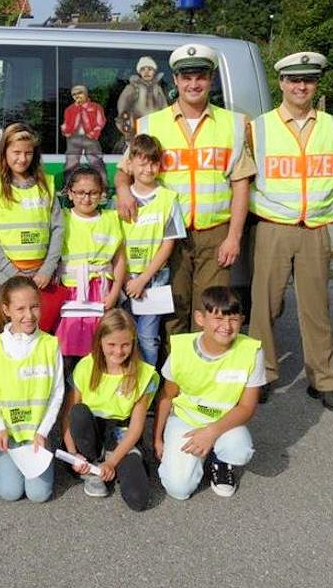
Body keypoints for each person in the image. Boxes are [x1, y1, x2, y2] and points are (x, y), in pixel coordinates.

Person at [114, 44, 255, 335]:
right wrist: (124, 191)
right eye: (186, 77)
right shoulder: (152, 123)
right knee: (173, 309)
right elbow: (122, 173)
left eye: (200, 76)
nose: (193, 84)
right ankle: (174, 376)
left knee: (211, 308)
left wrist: (234, 237)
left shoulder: (233, 125)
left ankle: (203, 373)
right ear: (175, 80)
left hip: (215, 232)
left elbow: (241, 184)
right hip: (167, 236)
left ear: (211, 79)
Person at [248, 52, 333, 412]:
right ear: (282, 83)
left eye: (307, 80)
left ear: (315, 83)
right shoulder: (259, 126)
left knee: (316, 308)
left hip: (315, 228)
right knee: (265, 308)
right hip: (273, 226)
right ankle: (261, 376)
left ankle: (323, 382)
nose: (301, 86)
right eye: (294, 80)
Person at [154, 287, 263, 500]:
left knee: (240, 449)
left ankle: (220, 460)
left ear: (241, 320)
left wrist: (211, 433)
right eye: (218, 318)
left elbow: (247, 407)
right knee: (178, 490)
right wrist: (157, 439)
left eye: (233, 319)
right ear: (200, 318)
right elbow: (167, 397)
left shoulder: (252, 351)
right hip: (186, 419)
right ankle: (196, 456)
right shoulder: (181, 349)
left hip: (224, 422)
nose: (226, 326)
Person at [0, 277, 64, 503]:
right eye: (20, 309)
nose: (29, 315)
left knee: (38, 495)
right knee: (10, 493)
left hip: (37, 435)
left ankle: (45, 450)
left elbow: (57, 394)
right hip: (7, 433)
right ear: (6, 310)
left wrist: (43, 432)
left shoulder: (50, 344)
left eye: (34, 306)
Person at [62, 310, 157, 510]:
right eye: (111, 345)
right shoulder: (86, 366)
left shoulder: (143, 373)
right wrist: (72, 454)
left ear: (133, 343)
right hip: (91, 435)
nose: (118, 351)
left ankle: (107, 465)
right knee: (79, 412)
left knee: (138, 499)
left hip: (121, 436)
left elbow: (136, 429)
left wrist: (112, 462)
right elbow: (68, 416)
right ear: (100, 342)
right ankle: (91, 465)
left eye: (125, 345)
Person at [0, 123, 65, 333]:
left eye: (28, 153)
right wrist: (12, 273)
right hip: (5, 275)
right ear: (4, 153)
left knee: (38, 330)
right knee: (6, 331)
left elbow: (58, 229)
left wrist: (47, 269)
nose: (22, 158)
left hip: (41, 277)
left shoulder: (47, 185)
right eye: (16, 152)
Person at [118, 134, 186, 366]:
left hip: (153, 280)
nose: (148, 168)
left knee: (148, 338)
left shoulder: (168, 199)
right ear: (129, 165)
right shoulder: (120, 201)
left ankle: (149, 386)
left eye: (153, 162)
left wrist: (143, 279)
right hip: (123, 279)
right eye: (142, 162)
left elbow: (168, 244)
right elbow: (114, 242)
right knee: (122, 336)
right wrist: (126, 278)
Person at [54, 165, 126, 370]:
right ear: (69, 193)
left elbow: (119, 260)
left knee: (99, 348)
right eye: (80, 193)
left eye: (93, 193)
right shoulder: (63, 218)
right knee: (66, 349)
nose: (86, 198)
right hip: (70, 293)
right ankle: (69, 396)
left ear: (102, 193)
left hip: (101, 292)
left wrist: (114, 293)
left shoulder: (111, 219)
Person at [61, 85, 107, 179]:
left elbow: (101, 122)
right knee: (71, 162)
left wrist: (93, 133)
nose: (77, 96)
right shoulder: (69, 109)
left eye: (79, 93)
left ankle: (103, 186)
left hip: (90, 138)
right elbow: (65, 123)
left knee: (96, 161)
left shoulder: (96, 107)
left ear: (86, 94)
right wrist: (66, 132)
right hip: (74, 138)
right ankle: (68, 187)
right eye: (74, 94)